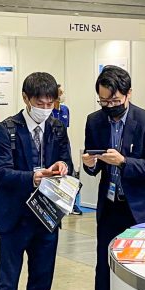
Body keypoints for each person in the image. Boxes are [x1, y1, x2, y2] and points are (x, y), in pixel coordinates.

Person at [0, 72, 73, 290]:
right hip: (14, 216)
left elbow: (68, 162)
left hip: (47, 214)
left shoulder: (58, 128)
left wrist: (62, 166)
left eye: (51, 101)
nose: (46, 106)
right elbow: (0, 171)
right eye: (40, 101)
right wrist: (32, 177)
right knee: (8, 279)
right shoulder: (6, 129)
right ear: (26, 98)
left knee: (42, 278)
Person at [79, 66, 145, 290]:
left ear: (128, 94)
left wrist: (124, 162)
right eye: (104, 102)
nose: (109, 107)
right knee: (104, 269)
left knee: (142, 270)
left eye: (115, 102)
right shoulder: (95, 121)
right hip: (110, 206)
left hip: (141, 210)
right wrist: (88, 165)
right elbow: (92, 161)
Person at [53, 85, 82, 215]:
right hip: (52, 145)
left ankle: (72, 204)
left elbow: (66, 129)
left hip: (64, 144)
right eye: (60, 93)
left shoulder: (65, 110)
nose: (62, 95)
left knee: (70, 173)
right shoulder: (48, 110)